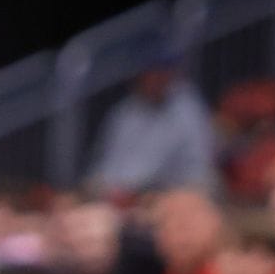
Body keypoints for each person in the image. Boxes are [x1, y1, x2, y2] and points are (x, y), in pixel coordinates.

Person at [85, 51, 219, 196]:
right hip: (123, 190)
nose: (155, 79)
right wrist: (112, 187)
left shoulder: (186, 106)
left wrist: (139, 188)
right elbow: (109, 162)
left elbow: (195, 163)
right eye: (150, 73)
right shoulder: (124, 111)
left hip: (171, 187)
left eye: (161, 72)